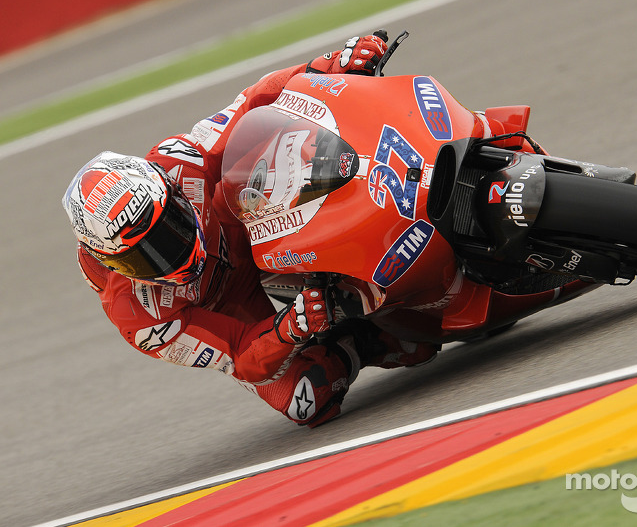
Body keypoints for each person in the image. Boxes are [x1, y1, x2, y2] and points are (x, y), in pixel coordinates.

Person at [62, 32, 439, 428]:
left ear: (168, 188)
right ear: (113, 263)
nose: (172, 250)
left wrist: (329, 64)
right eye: (145, 255)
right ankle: (361, 336)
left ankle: (385, 178)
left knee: (280, 143)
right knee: (305, 400)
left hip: (241, 220)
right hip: (223, 301)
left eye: (169, 222)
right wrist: (290, 328)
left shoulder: (178, 161)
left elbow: (251, 101)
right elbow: (241, 356)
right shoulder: (139, 317)